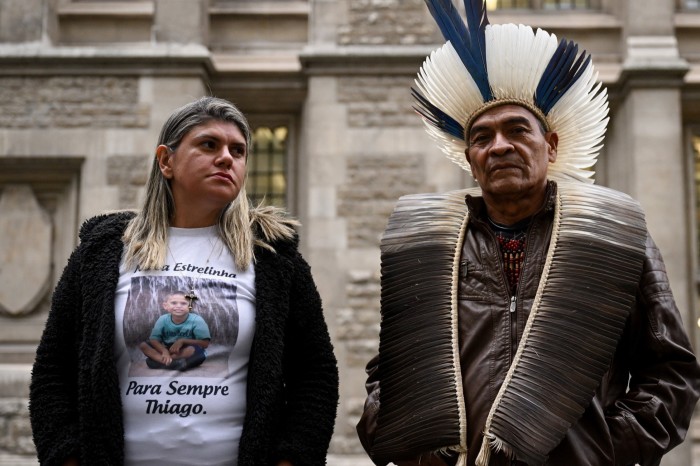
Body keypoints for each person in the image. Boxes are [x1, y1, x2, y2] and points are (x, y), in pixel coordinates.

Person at [357, 1, 700, 465]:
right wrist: (408, 445)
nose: (500, 146)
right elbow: (392, 369)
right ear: (470, 157)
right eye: (482, 137)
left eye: (517, 129)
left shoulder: (616, 235)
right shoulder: (428, 244)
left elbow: (671, 373)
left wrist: (601, 449)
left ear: (551, 144)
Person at [30, 96, 339, 466]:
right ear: (166, 160)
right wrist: (66, 459)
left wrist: (292, 461)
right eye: (209, 145)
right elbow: (52, 370)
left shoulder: (273, 258)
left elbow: (315, 374)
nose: (227, 157)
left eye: (238, 151)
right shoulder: (103, 254)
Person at [139, 290, 211, 371]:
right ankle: (175, 363)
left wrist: (182, 341)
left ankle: (159, 362)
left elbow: (205, 343)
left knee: (196, 352)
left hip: (186, 349)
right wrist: (164, 351)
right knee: (144, 345)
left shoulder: (197, 320)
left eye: (183, 303)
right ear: (165, 306)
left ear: (190, 306)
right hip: (168, 349)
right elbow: (154, 339)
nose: (178, 306)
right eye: (174, 303)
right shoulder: (162, 319)